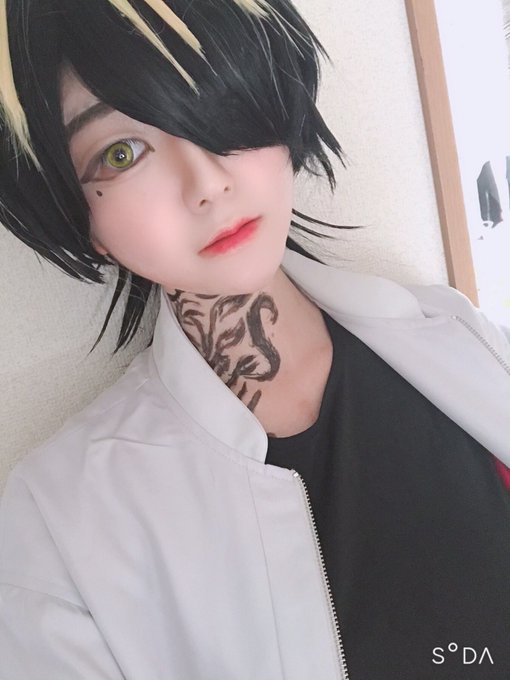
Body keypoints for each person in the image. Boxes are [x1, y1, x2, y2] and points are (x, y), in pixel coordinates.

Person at [0, 1, 509, 678]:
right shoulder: (60, 527)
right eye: (122, 153)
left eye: (208, 95)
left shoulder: (459, 331)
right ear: (79, 216)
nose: (207, 183)